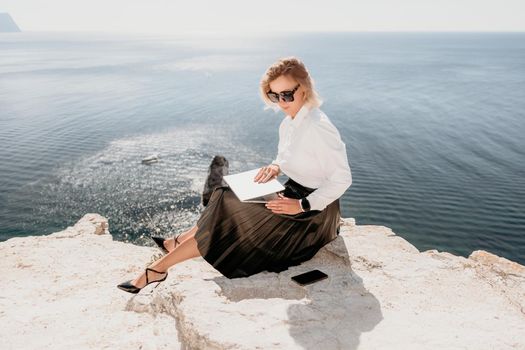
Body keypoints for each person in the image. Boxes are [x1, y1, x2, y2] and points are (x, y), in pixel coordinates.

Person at [117, 56, 352, 294]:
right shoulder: (289, 123)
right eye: (274, 96)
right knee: (224, 193)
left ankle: (159, 267)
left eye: (286, 95)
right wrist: (275, 166)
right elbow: (290, 156)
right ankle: (172, 248)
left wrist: (302, 205)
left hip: (312, 216)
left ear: (304, 88)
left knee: (227, 208)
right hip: (291, 194)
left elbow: (342, 179)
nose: (281, 102)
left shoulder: (318, 126)